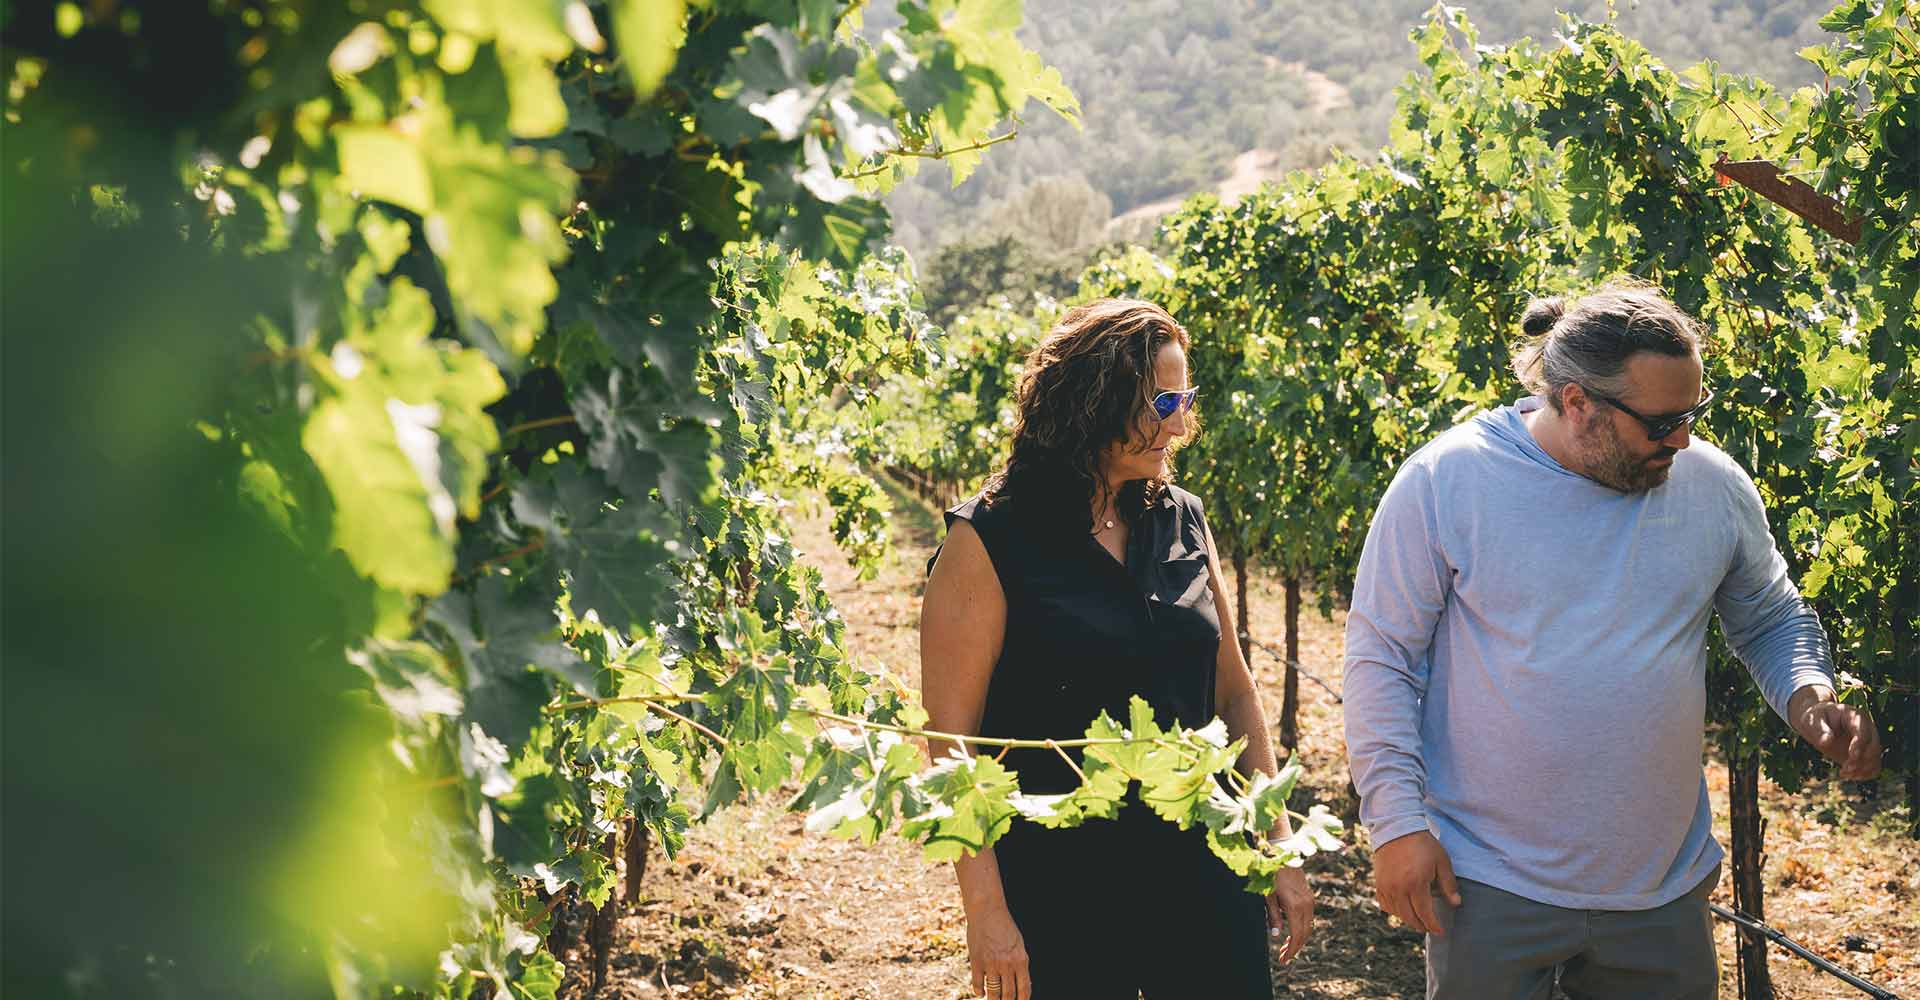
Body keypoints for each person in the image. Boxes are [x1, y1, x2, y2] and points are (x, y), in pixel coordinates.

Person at [1342, 279, 1883, 1000]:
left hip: (1660, 888)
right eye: (1661, 423)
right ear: (1576, 404)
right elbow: (1382, 658)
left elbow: (1770, 615)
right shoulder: (1450, 479)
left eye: (1694, 413)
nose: (1683, 439)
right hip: (1488, 880)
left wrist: (1811, 697)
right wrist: (1397, 824)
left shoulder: (1710, 483)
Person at [920, 298, 1314, 1000]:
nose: (1181, 420)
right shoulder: (987, 540)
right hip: (1062, 886)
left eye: (1185, 397)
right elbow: (951, 744)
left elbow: (1234, 690)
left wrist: (1276, 840)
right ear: (1092, 401)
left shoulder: (1183, 515)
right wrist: (985, 910)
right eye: (1163, 399)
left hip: (1204, 867)